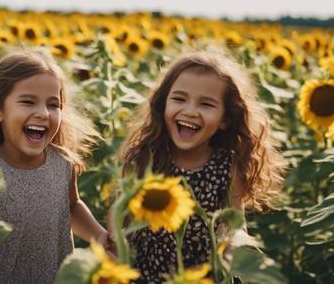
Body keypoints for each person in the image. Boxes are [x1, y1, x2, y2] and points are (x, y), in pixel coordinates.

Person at [121, 48, 287, 283]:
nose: (190, 111)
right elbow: (122, 217)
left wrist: (240, 251)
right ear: (162, 104)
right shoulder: (145, 159)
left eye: (206, 104)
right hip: (144, 275)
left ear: (225, 119)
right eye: (179, 99)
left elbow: (234, 223)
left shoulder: (226, 167)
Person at [0, 51, 111, 284]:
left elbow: (71, 206)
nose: (43, 113)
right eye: (28, 102)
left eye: (53, 105)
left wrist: (98, 235)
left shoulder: (62, 163)